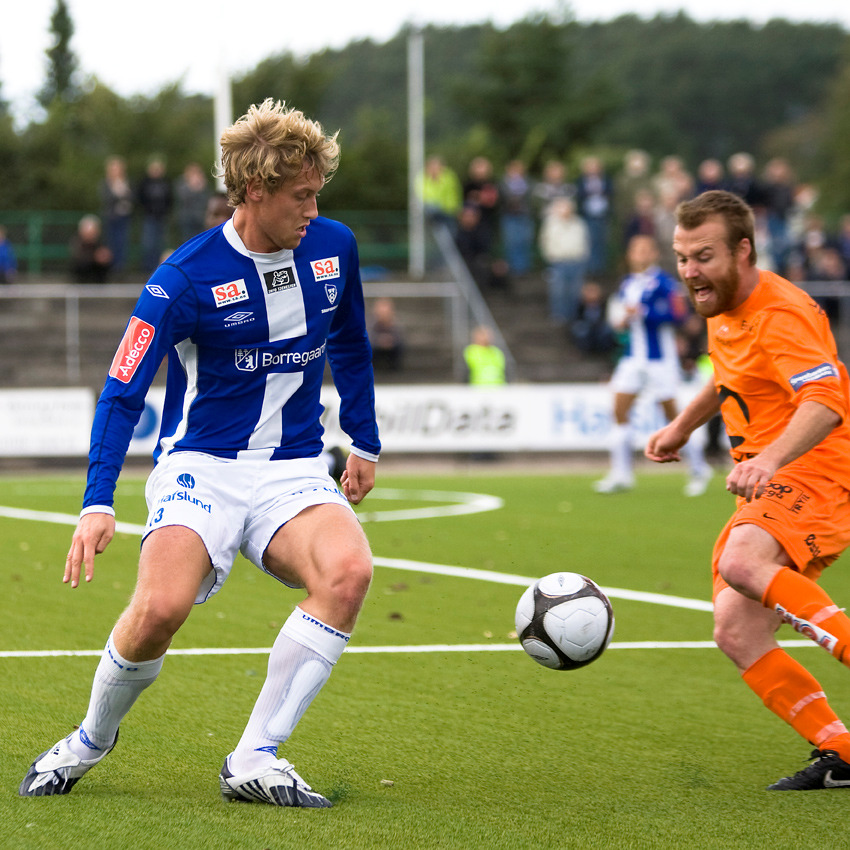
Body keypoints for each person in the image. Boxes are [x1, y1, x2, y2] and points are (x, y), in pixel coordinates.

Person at [19, 99, 381, 808]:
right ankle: (91, 739)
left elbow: (353, 341)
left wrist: (364, 438)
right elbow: (122, 389)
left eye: (317, 195)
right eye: (300, 195)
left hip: (293, 468)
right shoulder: (182, 278)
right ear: (254, 191)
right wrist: (98, 500)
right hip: (200, 468)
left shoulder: (335, 247)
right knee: (159, 608)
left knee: (349, 574)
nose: (313, 210)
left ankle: (256, 755)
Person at [645, 190, 850, 790]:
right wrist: (682, 425)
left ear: (743, 250)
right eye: (682, 257)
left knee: (741, 562)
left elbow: (827, 400)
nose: (690, 271)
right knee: (735, 629)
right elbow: (731, 373)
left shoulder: (780, 313)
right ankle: (840, 750)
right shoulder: (724, 307)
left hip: (815, 472)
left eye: (703, 256)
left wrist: (769, 458)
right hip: (772, 480)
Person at [593, 234, 712, 497]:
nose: (640, 254)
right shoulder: (627, 284)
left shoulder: (665, 284)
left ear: (654, 254)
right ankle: (621, 474)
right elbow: (621, 318)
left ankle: (699, 468)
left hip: (660, 360)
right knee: (619, 411)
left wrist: (644, 313)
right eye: (636, 249)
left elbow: (680, 314)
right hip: (633, 358)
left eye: (645, 249)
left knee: (673, 416)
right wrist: (621, 321)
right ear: (630, 255)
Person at [537, 196, 591, 324]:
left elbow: (586, 240)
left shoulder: (579, 223)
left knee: (575, 290)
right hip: (559, 262)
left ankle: (573, 316)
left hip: (577, 261)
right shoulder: (551, 223)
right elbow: (544, 241)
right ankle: (558, 315)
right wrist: (550, 256)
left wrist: (583, 256)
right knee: (558, 290)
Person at [137, 157, 174, 272]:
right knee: (149, 243)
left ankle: (159, 267)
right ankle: (148, 267)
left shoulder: (165, 183)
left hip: (162, 217)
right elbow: (140, 198)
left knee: (161, 244)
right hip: (149, 217)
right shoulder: (145, 183)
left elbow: (170, 198)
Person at [99, 156, 134, 275]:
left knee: (122, 242)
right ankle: (111, 267)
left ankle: (120, 267)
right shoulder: (106, 183)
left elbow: (131, 197)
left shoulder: (126, 182)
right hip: (111, 217)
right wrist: (117, 193)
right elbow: (106, 198)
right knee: (111, 242)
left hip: (123, 217)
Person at [69, 215, 113, 283]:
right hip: (82, 279)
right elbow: (79, 261)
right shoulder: (77, 243)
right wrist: (95, 258)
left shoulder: (101, 244)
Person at [175, 161, 211, 242]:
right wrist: (193, 188)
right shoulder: (182, 184)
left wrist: (201, 187)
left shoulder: (203, 185)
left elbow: (206, 199)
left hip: (200, 217)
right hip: (187, 218)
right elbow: (183, 198)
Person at [369, 296, 404, 373]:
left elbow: (399, 337)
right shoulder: (371, 323)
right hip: (376, 348)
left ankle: (394, 368)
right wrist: (379, 341)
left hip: (391, 349)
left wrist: (390, 340)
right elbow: (369, 337)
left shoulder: (394, 323)